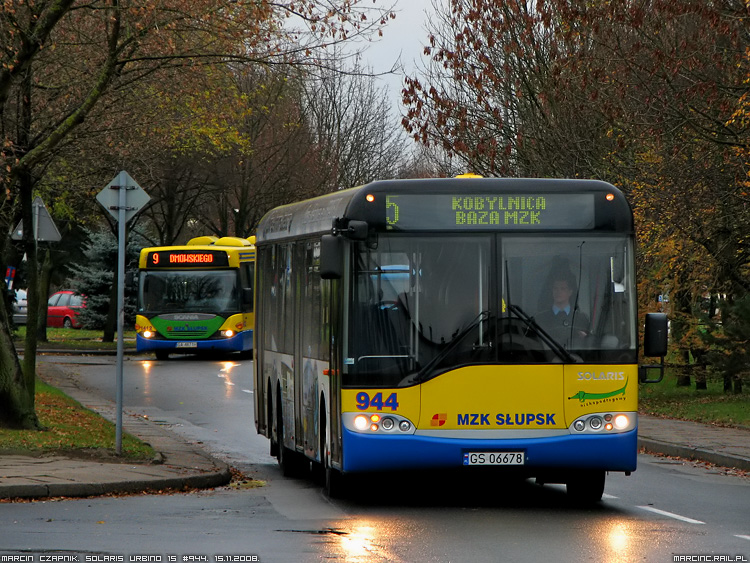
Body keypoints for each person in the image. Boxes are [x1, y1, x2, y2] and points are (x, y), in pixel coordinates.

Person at [534, 272, 590, 344]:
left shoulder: (581, 319)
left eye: (562, 288)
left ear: (570, 292)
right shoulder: (540, 318)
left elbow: (589, 345)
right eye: (555, 288)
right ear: (552, 291)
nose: (558, 292)